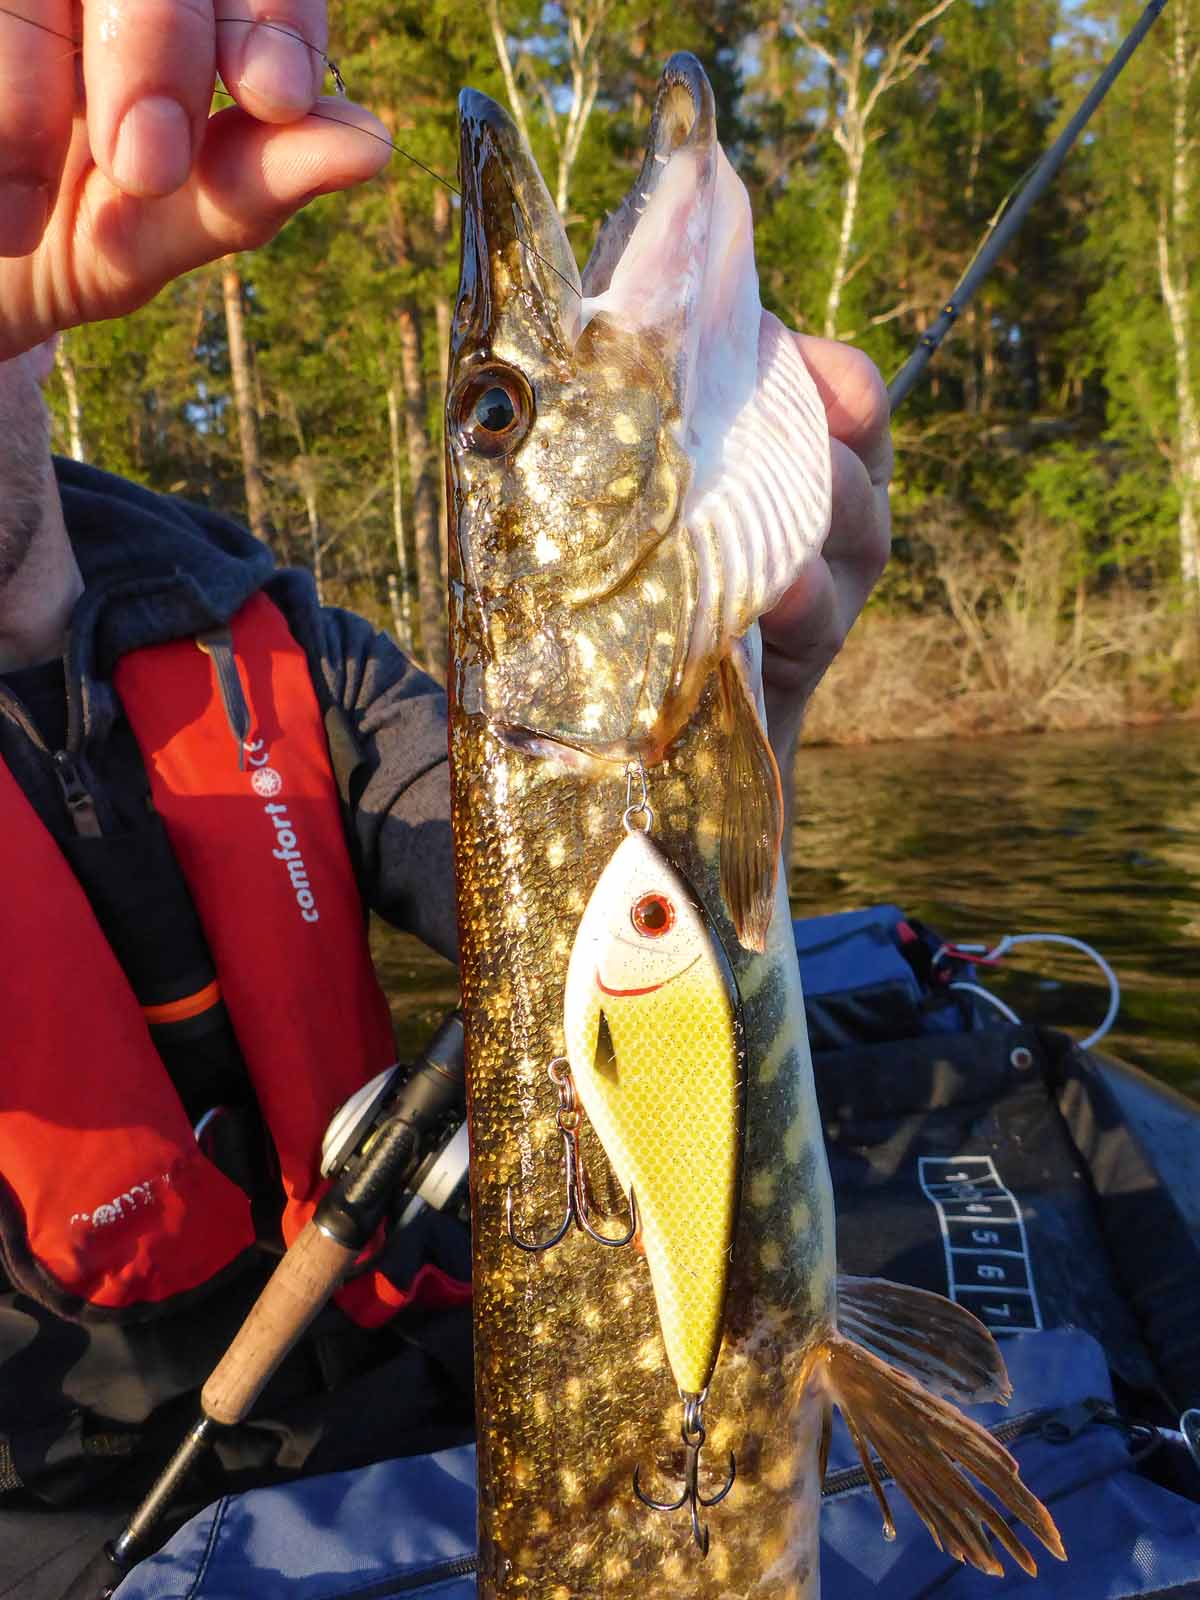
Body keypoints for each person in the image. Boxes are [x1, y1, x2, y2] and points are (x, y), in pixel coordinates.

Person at [0, 5, 892, 1596]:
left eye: (498, 420)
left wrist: (773, 694)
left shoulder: (284, 657)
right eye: (496, 415)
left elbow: (620, 907)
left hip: (436, 1419)